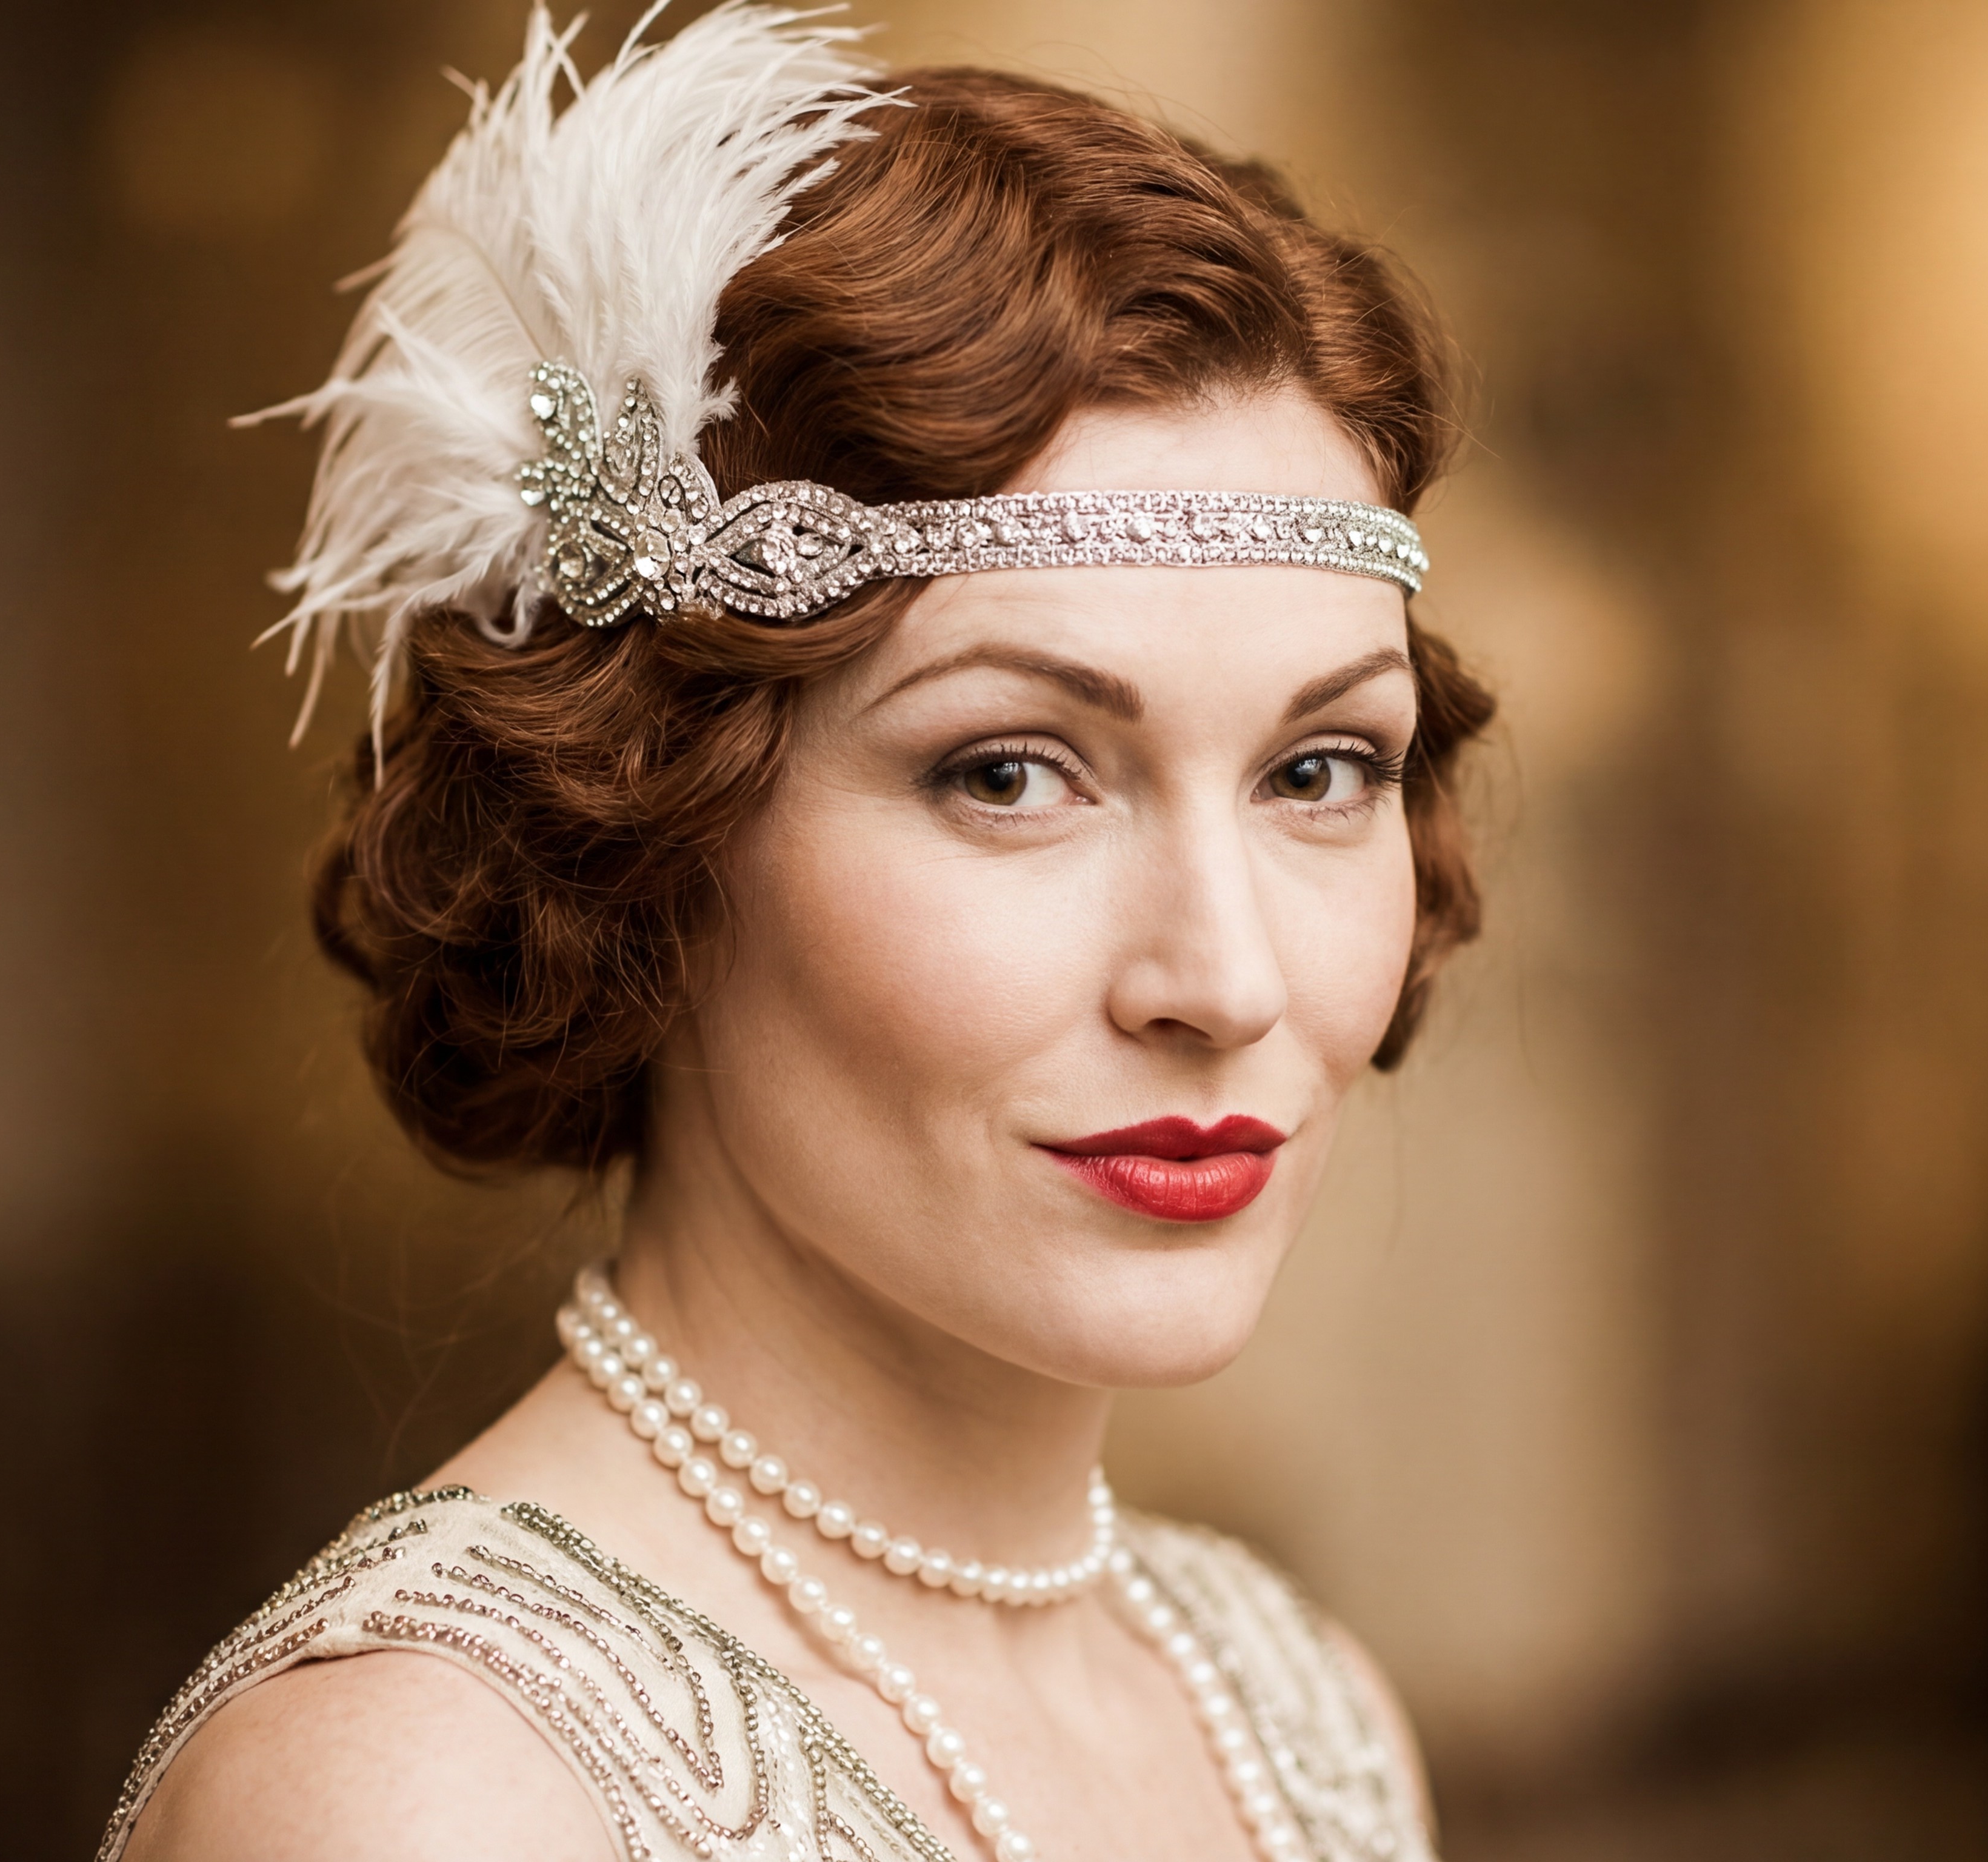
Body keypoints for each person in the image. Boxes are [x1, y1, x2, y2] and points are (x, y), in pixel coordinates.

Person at [105, 8, 1495, 1860]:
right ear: (644, 826)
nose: (1226, 980)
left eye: (1322, 769)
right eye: (1011, 775)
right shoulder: (431, 1803)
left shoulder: (1299, 1713)